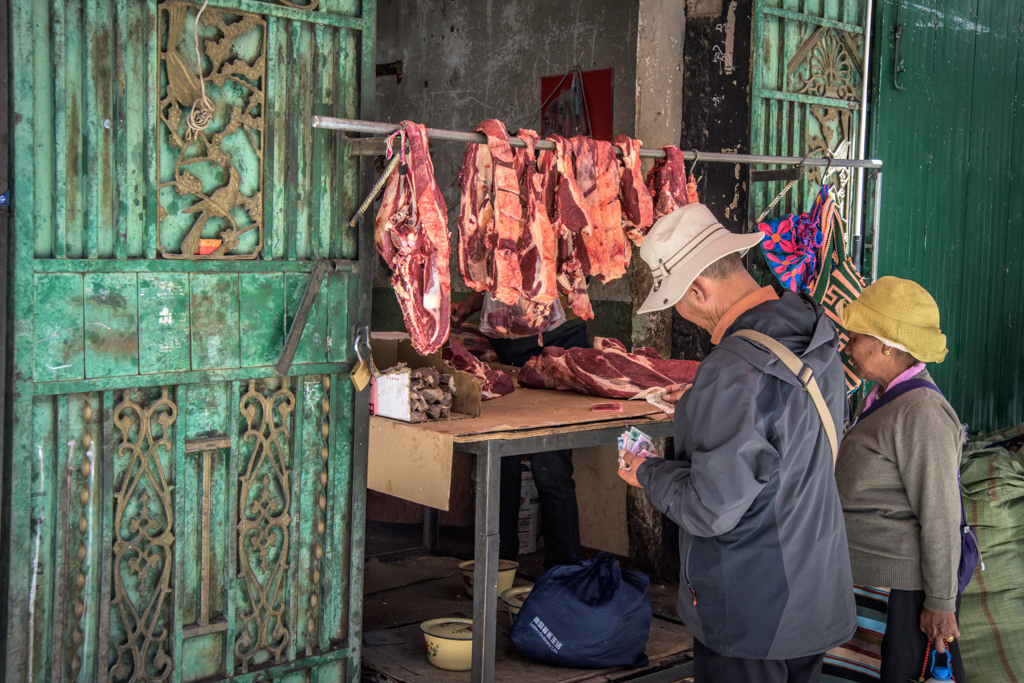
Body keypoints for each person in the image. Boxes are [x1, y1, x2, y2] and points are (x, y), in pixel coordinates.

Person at [617, 203, 856, 682]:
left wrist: (646, 471)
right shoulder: (815, 333)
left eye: (678, 303)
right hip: (815, 591)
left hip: (753, 607)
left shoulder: (731, 371)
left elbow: (711, 509)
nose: (684, 316)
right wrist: (703, 404)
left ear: (700, 291)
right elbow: (787, 434)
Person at [823, 276, 966, 682]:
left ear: (887, 343)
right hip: (864, 583)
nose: (848, 343)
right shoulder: (887, 397)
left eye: (857, 333)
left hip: (893, 595)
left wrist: (940, 603)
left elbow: (940, 515)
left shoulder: (921, 412)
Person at [451, 290, 586, 568]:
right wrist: (468, 305)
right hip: (508, 349)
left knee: (551, 464)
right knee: (501, 462)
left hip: (557, 342)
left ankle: (564, 575)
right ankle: (499, 568)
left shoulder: (550, 246)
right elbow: (493, 281)